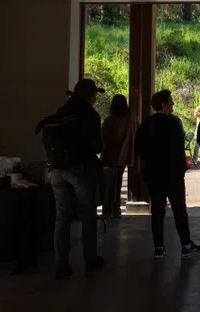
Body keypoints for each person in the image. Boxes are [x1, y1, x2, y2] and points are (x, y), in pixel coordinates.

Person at [36, 79, 105, 280]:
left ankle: (62, 265)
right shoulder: (90, 116)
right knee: (87, 215)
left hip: (56, 171)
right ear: (89, 96)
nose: (95, 98)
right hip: (80, 170)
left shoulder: (60, 113)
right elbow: (97, 147)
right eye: (94, 95)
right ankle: (90, 259)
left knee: (62, 218)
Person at [135, 90, 200, 259]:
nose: (173, 104)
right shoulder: (174, 122)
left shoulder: (146, 124)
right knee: (179, 210)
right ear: (164, 105)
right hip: (173, 175)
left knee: (157, 211)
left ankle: (159, 247)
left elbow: (139, 149)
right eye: (171, 101)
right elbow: (180, 148)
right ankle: (186, 244)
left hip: (154, 175)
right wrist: (181, 169)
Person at [100, 94, 137, 218]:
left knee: (108, 185)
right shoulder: (131, 119)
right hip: (125, 157)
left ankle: (107, 210)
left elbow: (104, 138)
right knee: (118, 183)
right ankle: (116, 210)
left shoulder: (111, 120)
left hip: (110, 156)